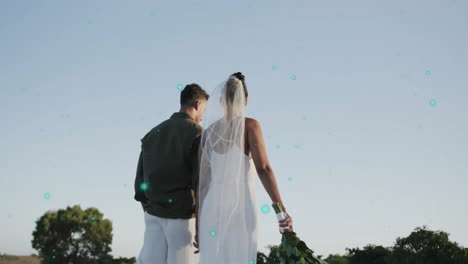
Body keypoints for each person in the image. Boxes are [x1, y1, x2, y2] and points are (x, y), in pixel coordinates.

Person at [193, 72, 293, 263]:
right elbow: (263, 169)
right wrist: (281, 210)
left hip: (211, 209)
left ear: (221, 100)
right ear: (246, 99)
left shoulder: (207, 134)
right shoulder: (251, 126)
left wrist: (198, 222)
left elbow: (203, 183)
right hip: (241, 206)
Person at [134, 83, 209, 264]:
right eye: (204, 110)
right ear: (198, 105)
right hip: (182, 217)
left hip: (152, 214)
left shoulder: (152, 133)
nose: (203, 116)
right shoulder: (198, 134)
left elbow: (139, 180)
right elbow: (200, 183)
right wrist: (200, 225)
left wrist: (150, 208)